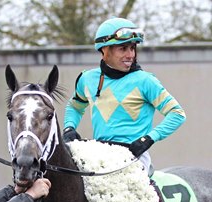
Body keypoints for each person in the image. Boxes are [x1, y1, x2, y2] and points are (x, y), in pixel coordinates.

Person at [63, 17, 186, 172]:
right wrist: (69, 128)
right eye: (123, 49)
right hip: (98, 155)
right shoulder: (87, 79)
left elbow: (177, 113)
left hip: (135, 158)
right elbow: (75, 107)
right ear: (104, 50)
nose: (130, 55)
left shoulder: (146, 81)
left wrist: (149, 138)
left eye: (132, 48)